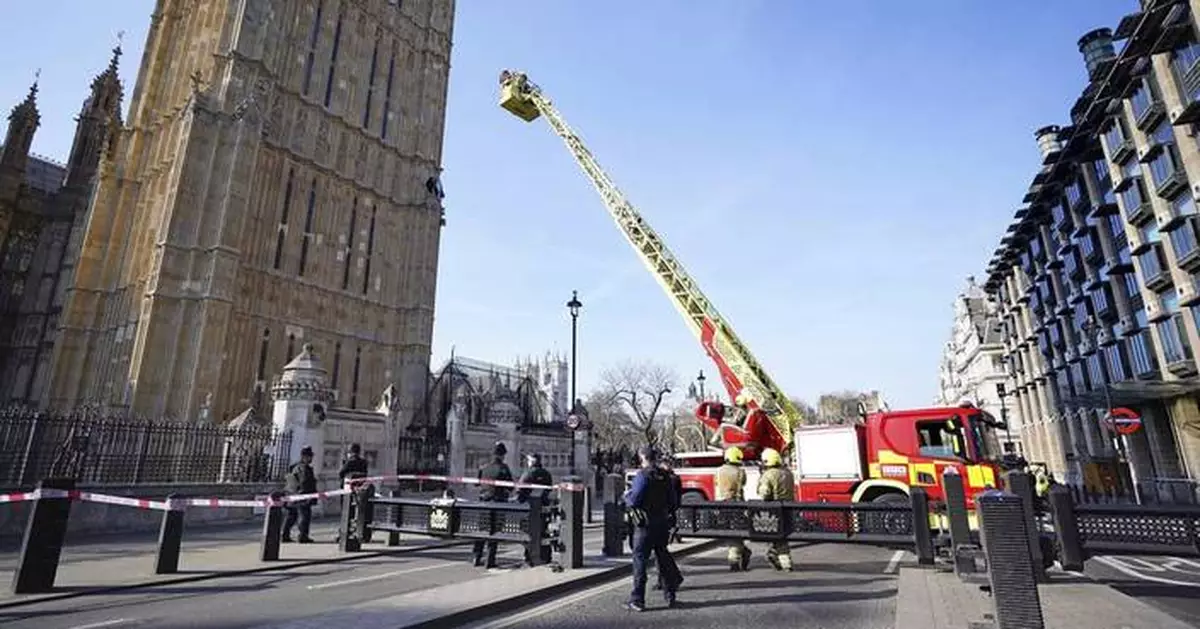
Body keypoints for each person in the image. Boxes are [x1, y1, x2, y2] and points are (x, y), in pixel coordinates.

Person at [624, 445, 683, 612]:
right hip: (662, 523)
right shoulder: (665, 476)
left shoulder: (642, 475)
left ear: (642, 457)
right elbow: (673, 502)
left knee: (640, 560)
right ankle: (670, 594)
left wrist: (626, 497)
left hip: (644, 524)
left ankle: (637, 599)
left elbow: (635, 500)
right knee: (662, 557)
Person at [473, 442, 513, 568]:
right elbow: (510, 486)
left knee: (482, 530)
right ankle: (490, 560)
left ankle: (476, 556)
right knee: (494, 532)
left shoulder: (483, 467)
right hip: (498, 503)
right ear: (502, 455)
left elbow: (476, 483)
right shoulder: (504, 468)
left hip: (484, 502)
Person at [756, 447, 795, 571]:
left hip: (775, 510)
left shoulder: (768, 475)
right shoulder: (788, 473)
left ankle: (784, 562)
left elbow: (764, 494)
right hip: (789, 509)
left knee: (776, 537)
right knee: (782, 536)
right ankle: (780, 558)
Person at [716, 445, 751, 571]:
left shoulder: (719, 470)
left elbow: (717, 484)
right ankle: (736, 557)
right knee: (738, 530)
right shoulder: (740, 472)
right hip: (737, 504)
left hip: (723, 504)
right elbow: (744, 483)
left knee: (729, 531)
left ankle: (737, 556)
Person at [517, 452, 554, 565]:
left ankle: (529, 557)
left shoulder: (528, 474)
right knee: (544, 531)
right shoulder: (546, 474)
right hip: (543, 507)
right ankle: (546, 556)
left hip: (530, 509)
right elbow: (549, 489)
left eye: (528, 460)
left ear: (532, 462)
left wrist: (520, 500)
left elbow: (520, 490)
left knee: (529, 533)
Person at [336, 444, 371, 544]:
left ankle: (344, 533)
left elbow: (341, 473)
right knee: (359, 513)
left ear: (350, 452)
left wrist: (345, 463)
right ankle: (359, 533)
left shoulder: (350, 462)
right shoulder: (364, 462)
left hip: (348, 491)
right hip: (360, 491)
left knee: (346, 513)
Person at [282, 446, 317, 543]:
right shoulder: (305, 468)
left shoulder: (294, 467)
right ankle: (303, 536)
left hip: (291, 495)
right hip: (302, 496)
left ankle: (285, 535)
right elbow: (305, 482)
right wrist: (310, 496)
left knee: (291, 516)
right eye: (310, 457)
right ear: (305, 457)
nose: (311, 459)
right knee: (304, 516)